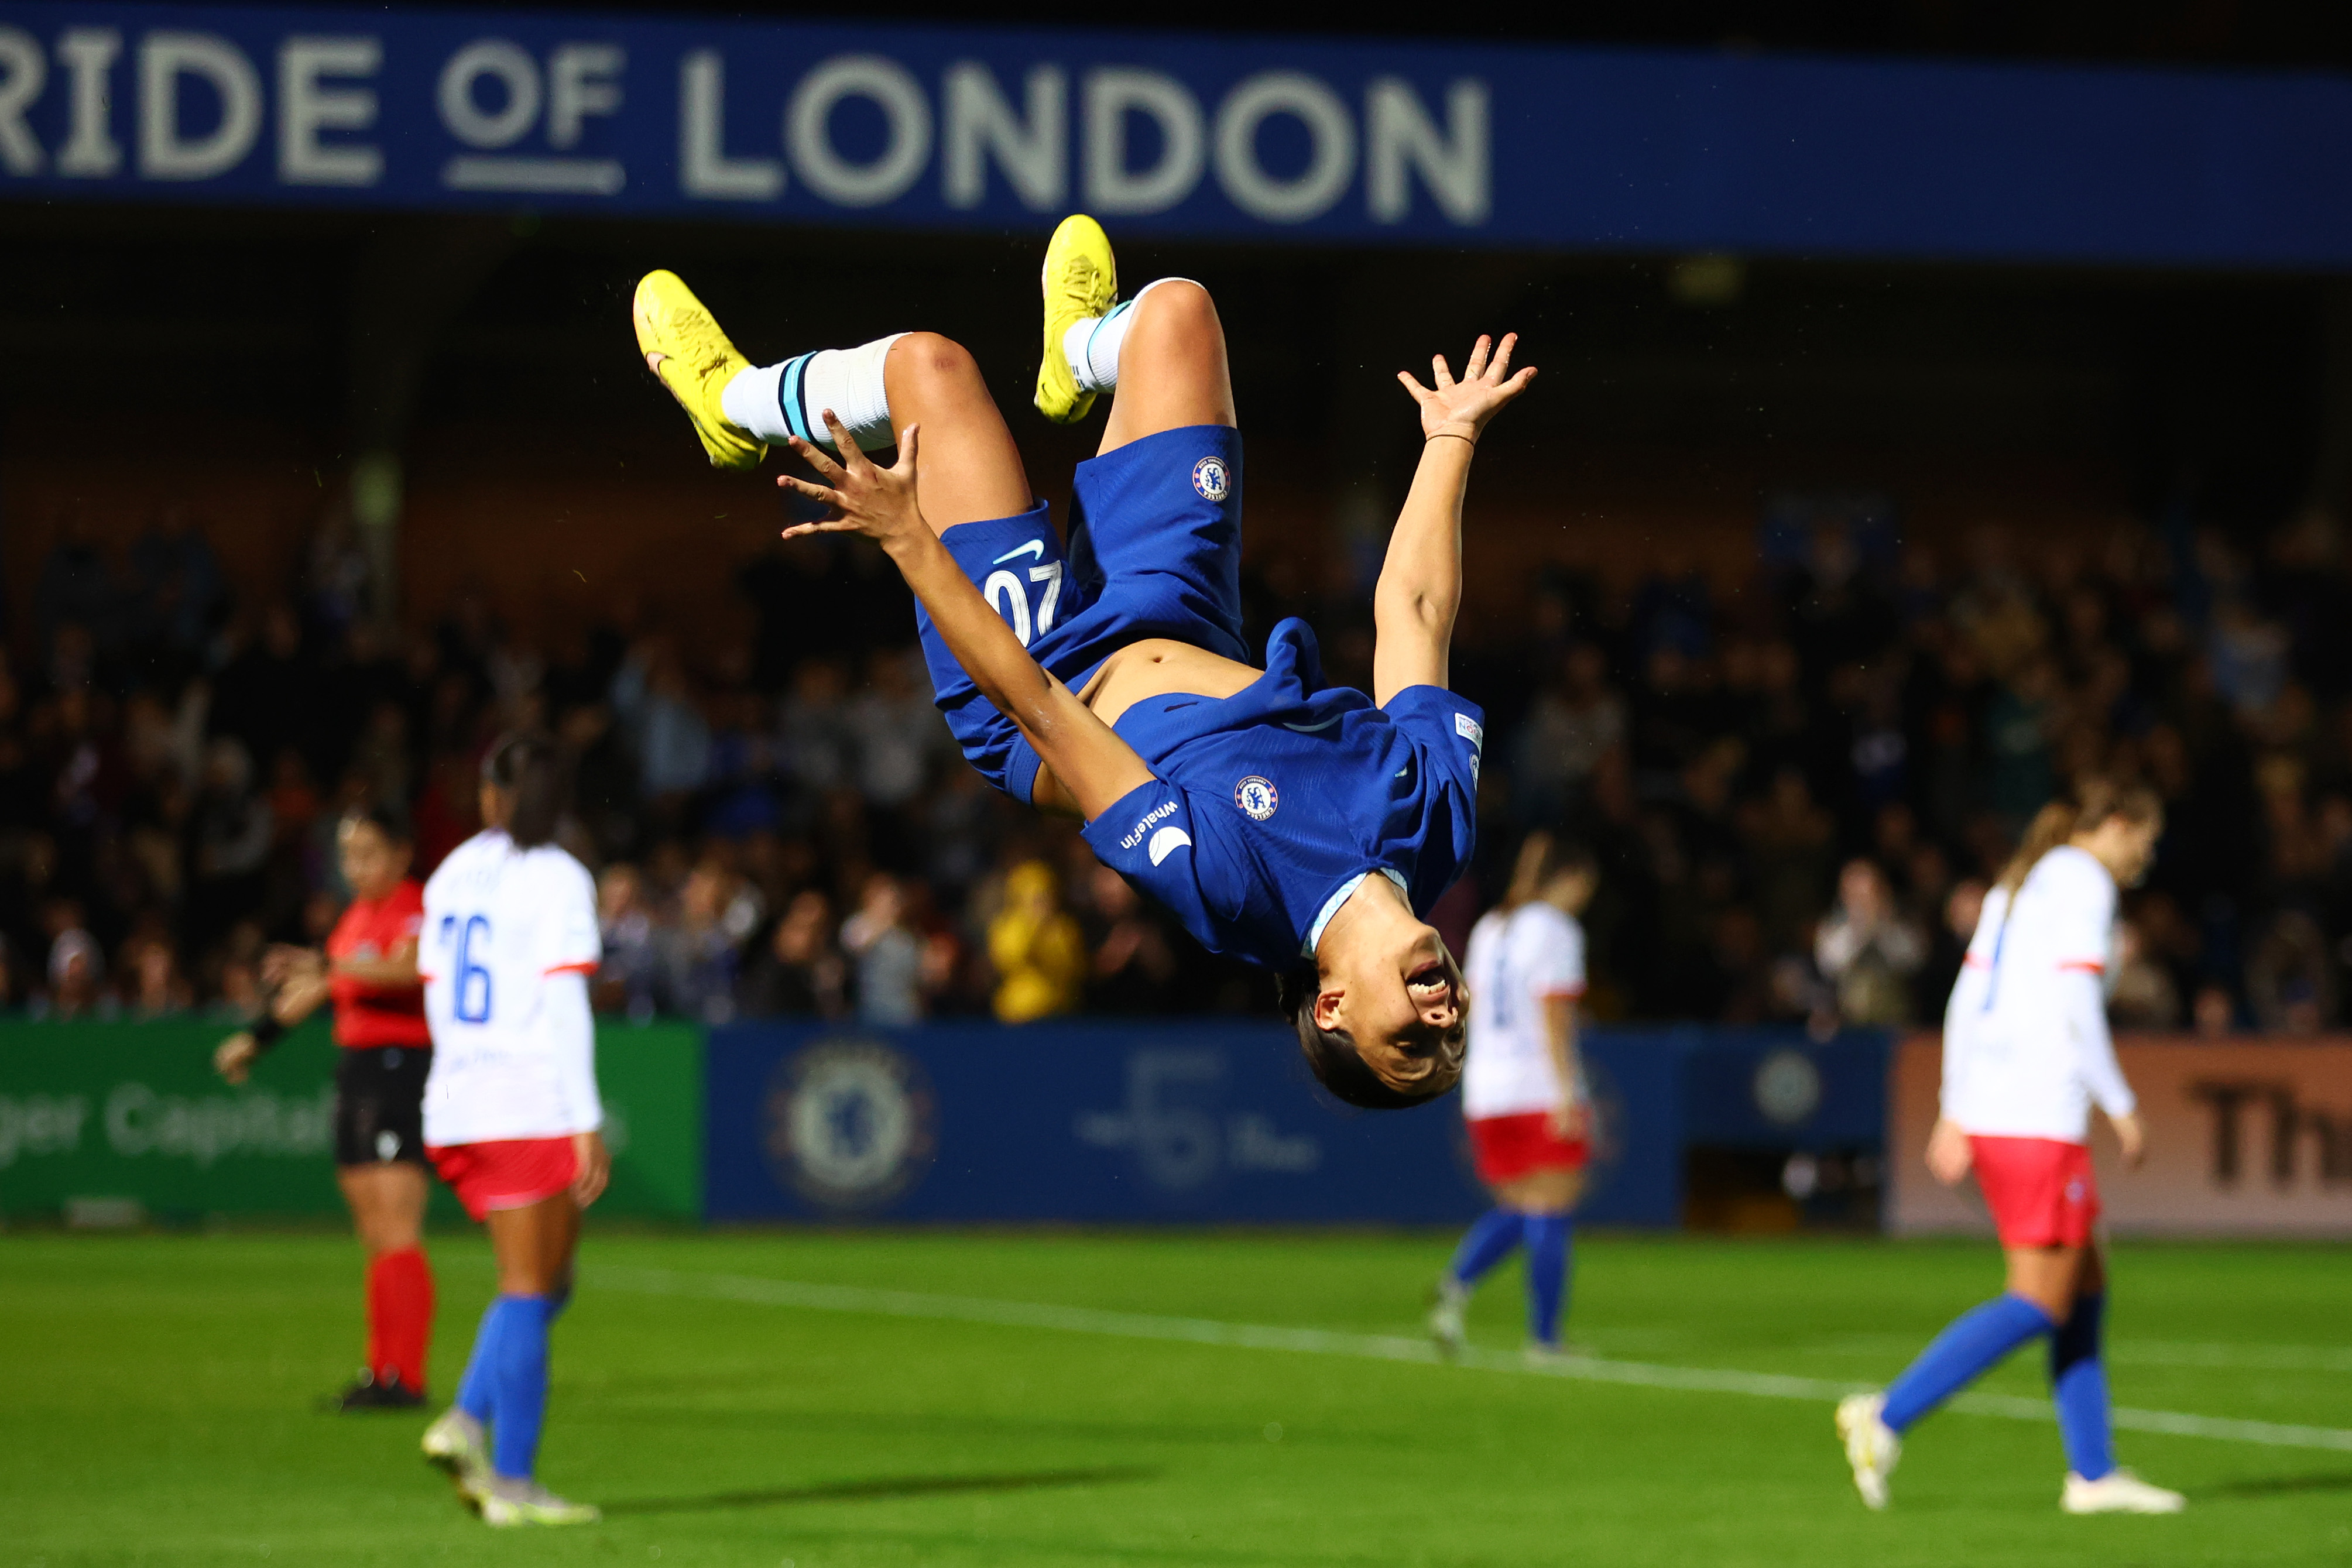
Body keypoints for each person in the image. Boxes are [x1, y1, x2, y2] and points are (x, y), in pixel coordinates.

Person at [633, 214, 1531, 1107]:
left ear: (1331, 1006)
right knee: (1177, 311)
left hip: (1035, 670)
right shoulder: (1439, 822)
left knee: (927, 366)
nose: (1442, 1013)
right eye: (1452, 1030)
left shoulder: (1232, 894)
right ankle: (1075, 348)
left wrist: (912, 541)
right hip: (1178, 611)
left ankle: (733, 406)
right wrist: (1450, 437)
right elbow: (1414, 613)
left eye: (1411, 1037)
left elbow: (1044, 712)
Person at [1836, 780, 2185, 1516]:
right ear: (2117, 826)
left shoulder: (2017, 885)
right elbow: (2076, 1003)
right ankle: (1887, 1415)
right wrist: (2119, 1105)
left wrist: (1953, 1108)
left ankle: (2092, 1474)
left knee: (2084, 1284)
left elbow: (1966, 1000)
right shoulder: (2083, 884)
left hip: (1996, 1111)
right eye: (2142, 846)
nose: (2140, 863)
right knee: (2038, 1298)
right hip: (2036, 1116)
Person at [414, 734, 607, 1528]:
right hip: (524, 1095)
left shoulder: (453, 868)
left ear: (492, 794)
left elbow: (432, 988)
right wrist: (585, 1117)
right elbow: (563, 1003)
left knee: (547, 1280)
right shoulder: (559, 876)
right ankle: (512, 1480)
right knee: (530, 1288)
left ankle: (465, 1415)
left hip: (457, 1093)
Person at [212, 804, 434, 1410]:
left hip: (399, 1067)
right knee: (373, 1230)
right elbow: (320, 986)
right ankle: (381, 1369)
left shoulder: (414, 906)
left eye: (368, 853)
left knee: (397, 1226)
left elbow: (413, 969)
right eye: (347, 855)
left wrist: (330, 965)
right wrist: (255, 1039)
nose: (355, 866)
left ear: (400, 856)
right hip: (360, 1071)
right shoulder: (356, 919)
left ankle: (406, 1377)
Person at [1429, 834, 1596, 1358]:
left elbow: (1470, 1006)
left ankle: (1456, 1284)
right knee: (1552, 1206)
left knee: (1525, 1206)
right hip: (1537, 1085)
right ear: (1567, 879)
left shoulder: (1491, 927)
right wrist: (1568, 1089)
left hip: (1487, 1087)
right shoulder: (1556, 930)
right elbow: (1553, 1012)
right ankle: (1545, 1340)